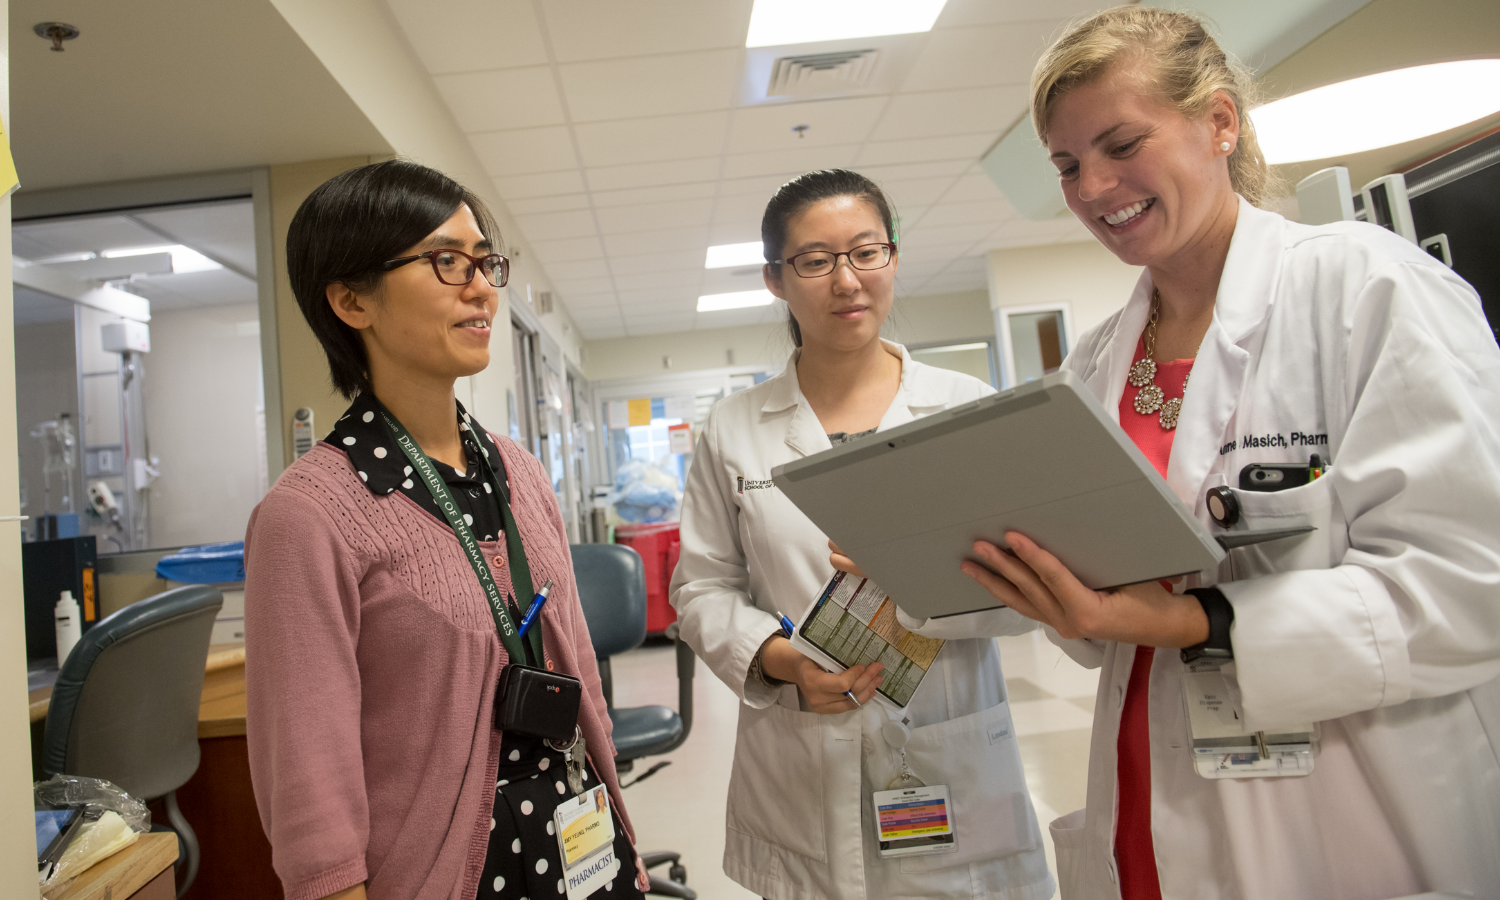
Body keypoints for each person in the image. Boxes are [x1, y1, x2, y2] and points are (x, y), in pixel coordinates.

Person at [953, 8, 1500, 898]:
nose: (1094, 186)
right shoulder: (1099, 359)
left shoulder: (1366, 289)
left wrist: (1198, 622)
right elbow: (1106, 632)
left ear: (1219, 122)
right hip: (1150, 785)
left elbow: (1471, 586)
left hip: (1348, 799)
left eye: (1121, 144)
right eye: (1066, 165)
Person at [244, 160, 649, 900]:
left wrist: (618, 820)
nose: (481, 285)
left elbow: (578, 664)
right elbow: (307, 771)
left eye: (483, 261)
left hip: (581, 838)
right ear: (350, 300)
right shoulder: (310, 513)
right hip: (439, 871)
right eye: (445, 262)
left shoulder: (518, 471)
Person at [669, 169, 1055, 900]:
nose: (846, 280)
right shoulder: (735, 427)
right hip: (802, 748)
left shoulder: (963, 407)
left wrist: (919, 578)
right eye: (815, 261)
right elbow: (701, 588)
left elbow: (1031, 588)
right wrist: (779, 661)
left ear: (893, 258)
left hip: (948, 744)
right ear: (776, 280)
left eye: (866, 252)